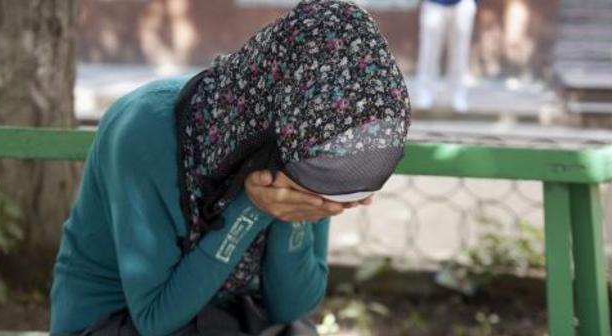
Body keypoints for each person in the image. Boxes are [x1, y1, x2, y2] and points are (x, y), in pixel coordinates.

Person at [49, 0, 411, 335]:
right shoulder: (143, 130)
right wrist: (254, 207)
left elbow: (292, 307)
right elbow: (156, 319)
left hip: (231, 315)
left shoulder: (319, 138)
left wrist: (294, 213)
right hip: (115, 319)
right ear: (280, 105)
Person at [416, 0, 478, 112]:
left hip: (462, 5)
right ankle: (425, 94)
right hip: (433, 4)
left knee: (460, 53)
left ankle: (458, 96)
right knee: (429, 52)